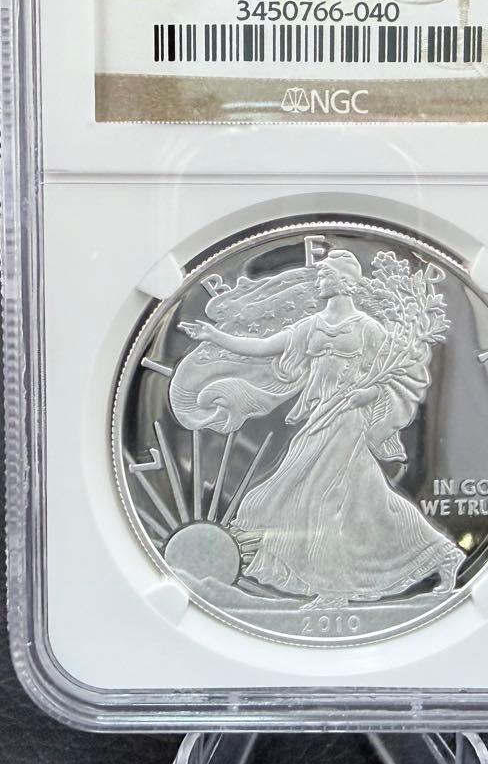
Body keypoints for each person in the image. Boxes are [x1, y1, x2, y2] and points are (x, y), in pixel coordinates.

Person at [177, 249, 464, 606]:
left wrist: (368, 393)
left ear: (344, 281)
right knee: (373, 501)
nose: (319, 280)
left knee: (320, 496)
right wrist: (215, 336)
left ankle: (334, 589)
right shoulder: (311, 326)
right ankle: (443, 555)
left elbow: (399, 376)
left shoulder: (367, 329)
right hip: (319, 415)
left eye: (326, 274)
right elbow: (263, 347)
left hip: (348, 419)